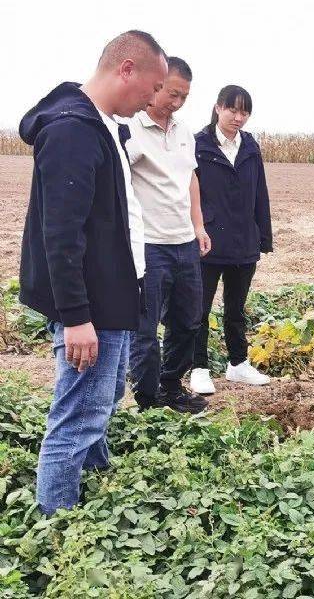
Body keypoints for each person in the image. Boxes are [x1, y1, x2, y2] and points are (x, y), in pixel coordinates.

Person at [18, 31, 167, 514]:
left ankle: (98, 482)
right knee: (78, 414)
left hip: (115, 294)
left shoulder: (102, 125)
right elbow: (60, 236)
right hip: (91, 305)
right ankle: (56, 526)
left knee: (103, 397)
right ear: (126, 68)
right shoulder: (73, 130)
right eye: (151, 87)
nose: (152, 101)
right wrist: (77, 317)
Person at [127, 57, 211, 414]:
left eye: (184, 97)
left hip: (184, 243)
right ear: (157, 84)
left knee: (188, 321)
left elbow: (190, 178)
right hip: (149, 245)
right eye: (173, 94)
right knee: (145, 330)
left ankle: (171, 386)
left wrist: (199, 226)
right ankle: (147, 401)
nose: (177, 103)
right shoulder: (130, 128)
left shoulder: (183, 132)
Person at [190, 85, 273, 394]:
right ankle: (198, 367)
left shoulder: (250, 146)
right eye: (232, 110)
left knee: (236, 308)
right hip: (208, 241)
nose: (238, 118)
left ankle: (238, 364)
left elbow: (259, 193)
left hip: (243, 241)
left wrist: (262, 236)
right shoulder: (199, 145)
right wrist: (197, 229)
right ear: (217, 108)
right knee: (199, 309)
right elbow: (190, 195)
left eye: (244, 112)